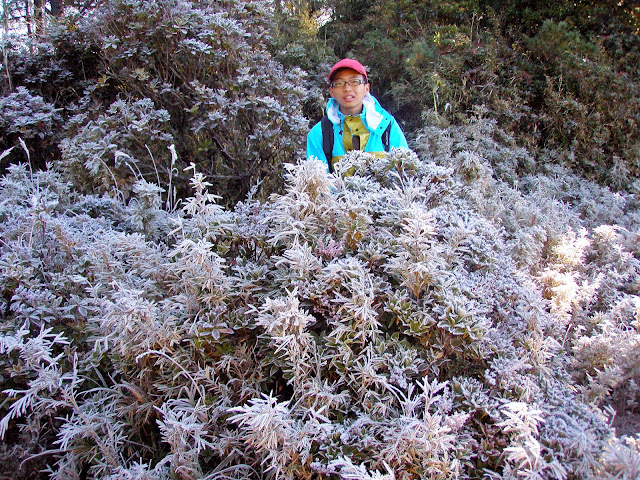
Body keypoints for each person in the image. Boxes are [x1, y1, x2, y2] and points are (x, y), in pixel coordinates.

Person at [306, 58, 408, 172]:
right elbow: (318, 183)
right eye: (339, 83)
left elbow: (404, 172)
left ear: (366, 88)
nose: (347, 88)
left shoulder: (387, 126)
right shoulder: (320, 133)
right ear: (332, 91)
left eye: (355, 81)